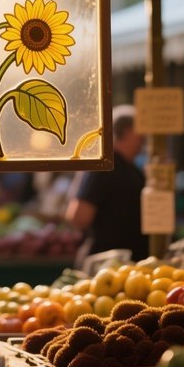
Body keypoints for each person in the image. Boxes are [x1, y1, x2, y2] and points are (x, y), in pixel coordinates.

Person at [65, 105, 148, 261]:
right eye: (141, 132)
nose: (144, 139)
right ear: (129, 131)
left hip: (124, 264)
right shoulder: (103, 166)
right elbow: (79, 217)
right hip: (105, 266)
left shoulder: (128, 166)